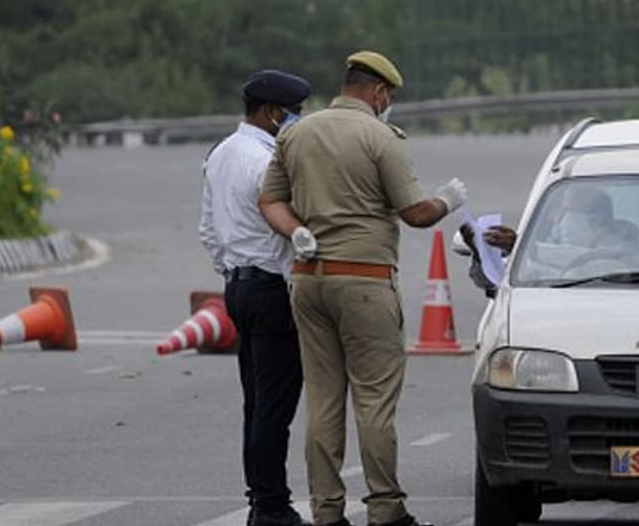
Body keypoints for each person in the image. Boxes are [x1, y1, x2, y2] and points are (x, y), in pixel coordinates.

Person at [258, 51, 469, 526]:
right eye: (388, 96)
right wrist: (448, 201)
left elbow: (269, 200)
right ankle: (386, 508)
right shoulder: (382, 138)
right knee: (373, 399)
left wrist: (297, 231)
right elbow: (415, 214)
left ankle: (327, 511)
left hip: (309, 282)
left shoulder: (295, 133)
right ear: (378, 92)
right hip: (365, 283)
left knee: (323, 398)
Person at [199, 69, 312, 526]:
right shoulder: (267, 161)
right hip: (270, 288)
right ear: (271, 113)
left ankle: (259, 502)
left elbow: (208, 230)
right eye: (294, 113)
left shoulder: (220, 153)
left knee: (256, 401)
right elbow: (290, 219)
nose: (298, 120)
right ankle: (270, 505)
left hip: (238, 286)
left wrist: (232, 270)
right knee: (274, 405)